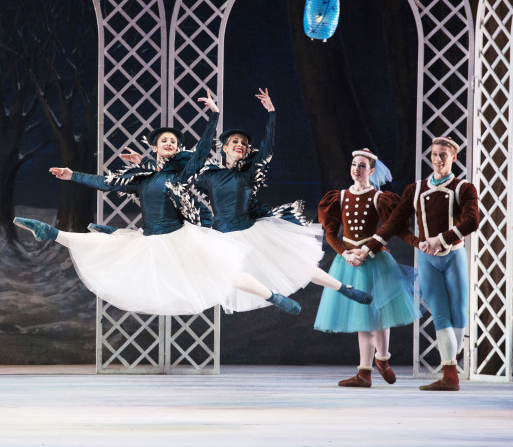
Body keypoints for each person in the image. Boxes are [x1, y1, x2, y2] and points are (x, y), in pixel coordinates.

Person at [13, 91, 301, 316]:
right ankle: (49, 232)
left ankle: (272, 296)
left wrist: (213, 118)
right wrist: (72, 175)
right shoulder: (142, 178)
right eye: (164, 140)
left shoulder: (182, 174)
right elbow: (106, 183)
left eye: (174, 142)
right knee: (104, 248)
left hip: (178, 238)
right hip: (151, 238)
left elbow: (200, 153)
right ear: (154, 147)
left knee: (226, 276)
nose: (170, 143)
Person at [122, 89, 373, 313]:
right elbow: (176, 176)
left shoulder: (248, 174)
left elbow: (266, 151)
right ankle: (274, 297)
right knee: (219, 274)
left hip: (250, 231)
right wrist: (144, 164)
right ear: (224, 148)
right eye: (234, 142)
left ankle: (344, 288)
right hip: (222, 237)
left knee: (292, 265)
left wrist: (272, 115)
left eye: (243, 143)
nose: (239, 145)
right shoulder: (210, 175)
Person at [357, 137, 479, 391]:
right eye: (434, 154)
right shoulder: (416, 190)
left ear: (453, 158)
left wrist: (441, 239)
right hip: (427, 260)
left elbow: (472, 221)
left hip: (454, 256)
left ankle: (450, 367)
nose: (437, 159)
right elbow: (394, 223)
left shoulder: (464, 188)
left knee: (458, 313)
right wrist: (371, 247)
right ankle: (450, 375)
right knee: (440, 314)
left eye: (443, 154)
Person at [314, 148, 421, 388]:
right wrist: (345, 253)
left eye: (362, 165)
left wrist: (415, 242)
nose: (356, 169)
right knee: (363, 317)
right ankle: (364, 372)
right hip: (350, 260)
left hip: (375, 259)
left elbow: (394, 228)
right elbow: (330, 232)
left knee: (381, 313)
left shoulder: (379, 197)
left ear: (371, 171)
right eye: (354, 164)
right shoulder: (339, 196)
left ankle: (382, 359)